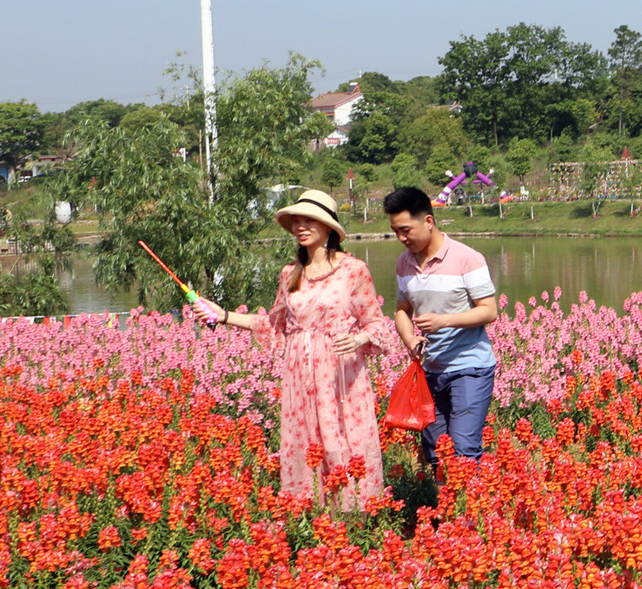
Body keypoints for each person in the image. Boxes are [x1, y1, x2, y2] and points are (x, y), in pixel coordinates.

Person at [192, 189, 401, 506]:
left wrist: (358, 339)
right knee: (306, 441)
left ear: (329, 227)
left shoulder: (354, 270)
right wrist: (222, 315)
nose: (301, 226)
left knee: (343, 440)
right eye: (297, 221)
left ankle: (353, 518)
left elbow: (377, 324)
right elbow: (273, 323)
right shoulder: (290, 274)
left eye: (310, 220)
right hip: (299, 374)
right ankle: (309, 515)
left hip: (340, 374)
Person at [381, 185, 501, 465]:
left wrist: (444, 321)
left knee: (463, 450)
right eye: (395, 231)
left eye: (406, 230)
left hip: (470, 368)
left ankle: (468, 508)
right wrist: (410, 339)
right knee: (435, 452)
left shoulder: (467, 258)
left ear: (429, 221)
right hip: (430, 371)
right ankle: (444, 507)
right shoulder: (403, 264)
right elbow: (402, 311)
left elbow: (489, 311)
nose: (400, 237)